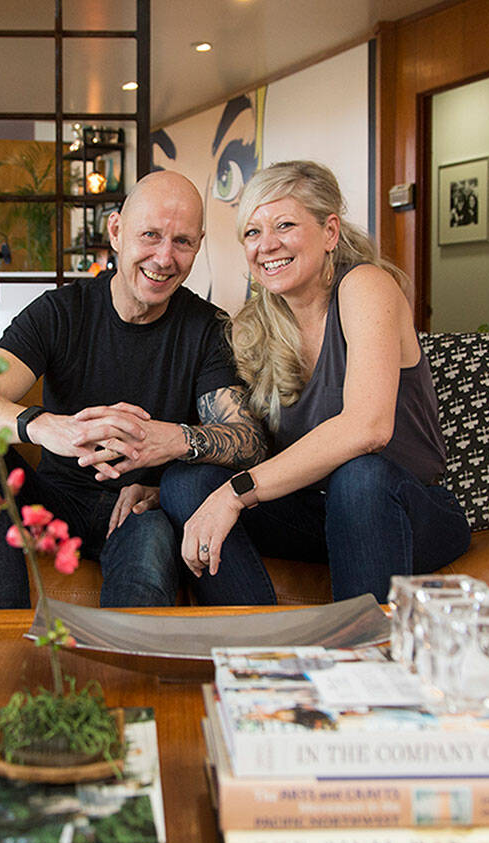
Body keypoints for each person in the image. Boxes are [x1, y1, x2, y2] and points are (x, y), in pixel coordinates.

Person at [0, 170, 266, 610]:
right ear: (116, 231)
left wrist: (174, 442)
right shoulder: (60, 312)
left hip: (142, 510)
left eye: (182, 242)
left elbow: (249, 442)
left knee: (150, 542)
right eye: (150, 235)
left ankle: (122, 675)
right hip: (54, 503)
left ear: (199, 244)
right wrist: (45, 426)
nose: (164, 258)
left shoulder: (209, 329)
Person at [159, 161, 471, 605]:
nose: (267, 245)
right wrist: (167, 486)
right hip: (313, 515)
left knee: (359, 477)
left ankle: (361, 663)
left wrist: (236, 493)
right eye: (252, 233)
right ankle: (263, 651)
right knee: (184, 484)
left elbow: (368, 429)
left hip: (401, 510)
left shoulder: (365, 287)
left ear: (329, 232)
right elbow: (248, 443)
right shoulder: (253, 327)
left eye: (284, 225)